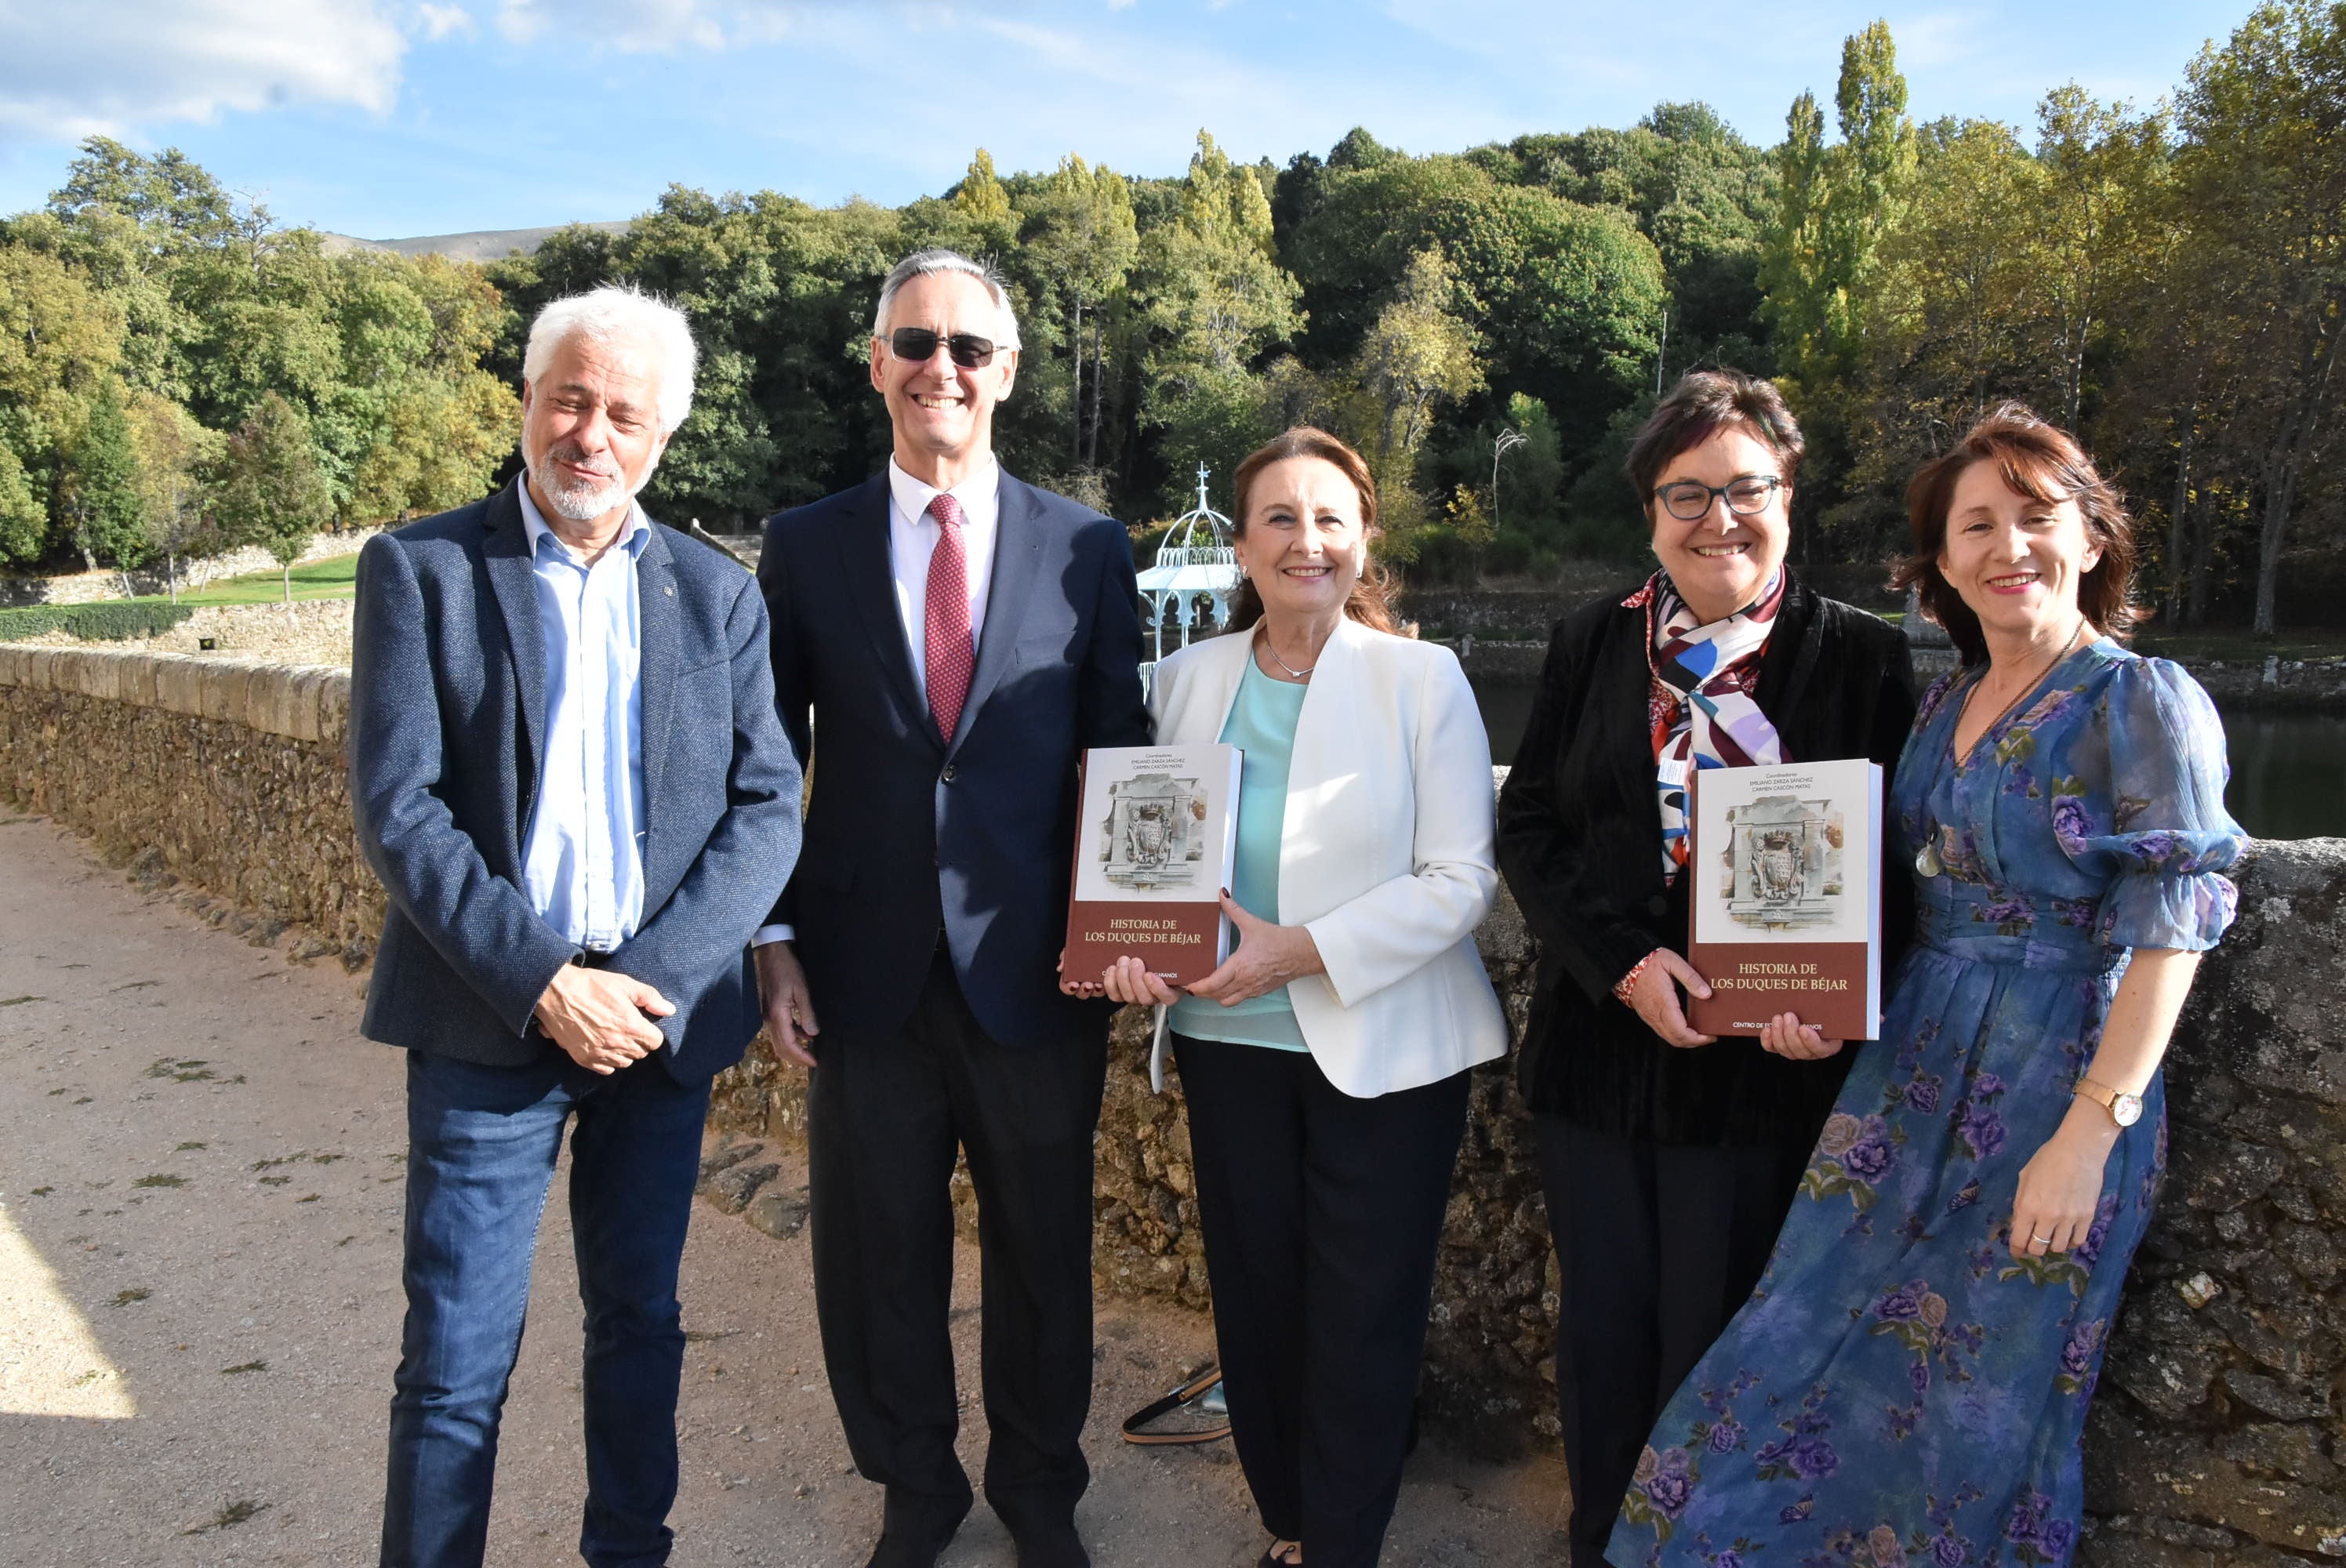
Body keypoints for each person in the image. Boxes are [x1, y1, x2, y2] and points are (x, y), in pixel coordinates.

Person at [1605, 404, 2246, 1566]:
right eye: (1978, 525)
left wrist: (2089, 1136)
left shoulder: (2140, 702)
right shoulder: (1945, 704)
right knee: (1786, 1352)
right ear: (1942, 561)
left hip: (2057, 1090)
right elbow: (1881, 906)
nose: (2011, 549)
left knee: (1975, 1416)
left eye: (2038, 520)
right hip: (1903, 1080)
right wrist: (1809, 1004)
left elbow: (2173, 931)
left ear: (2092, 540)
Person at [350, 285, 801, 1567]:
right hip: (489, 1024)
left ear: (662, 436)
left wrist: (642, 989)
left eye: (624, 413)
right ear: (528, 403)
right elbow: (399, 806)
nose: (591, 434)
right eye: (571, 399)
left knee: (641, 1327)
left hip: (653, 1037)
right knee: (452, 1363)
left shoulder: (718, 596)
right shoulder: (423, 569)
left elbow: (769, 810)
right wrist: (547, 981)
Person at [754, 248, 1150, 1568]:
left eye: (970, 349)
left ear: (1010, 373)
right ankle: (913, 1488)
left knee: (1045, 1252)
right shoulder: (804, 548)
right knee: (879, 1256)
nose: (943, 368)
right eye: (916, 343)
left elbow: (1122, 755)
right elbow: (766, 764)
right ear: (877, 364)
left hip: (1042, 971)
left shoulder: (1090, 547)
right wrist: (772, 941)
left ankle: (1042, 1493)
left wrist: (1128, 932)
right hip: (863, 972)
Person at [1494, 371, 1917, 1568]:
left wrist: (1838, 1005)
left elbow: (1893, 864)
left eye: (1746, 490)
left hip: (1768, 1074)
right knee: (1607, 1339)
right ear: (1649, 513)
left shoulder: (1863, 660)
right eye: (1687, 493)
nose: (1717, 518)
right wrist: (1626, 964)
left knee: (1736, 1341)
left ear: (1791, 498)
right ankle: (1603, 1545)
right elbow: (1529, 829)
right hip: (1601, 1061)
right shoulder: (1589, 642)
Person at [1089, 427, 1509, 1568]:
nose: (1305, 541)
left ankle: (1342, 1541)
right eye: (1279, 517)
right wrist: (1127, 951)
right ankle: (1285, 1512)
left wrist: (1301, 951)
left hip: (1387, 1047)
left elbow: (1463, 882)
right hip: (1226, 1044)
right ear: (1241, 544)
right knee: (1258, 1302)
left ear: (1366, 538)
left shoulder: (1423, 680)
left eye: (1330, 518)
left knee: (1364, 1310)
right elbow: (1136, 861)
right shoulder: (1180, 682)